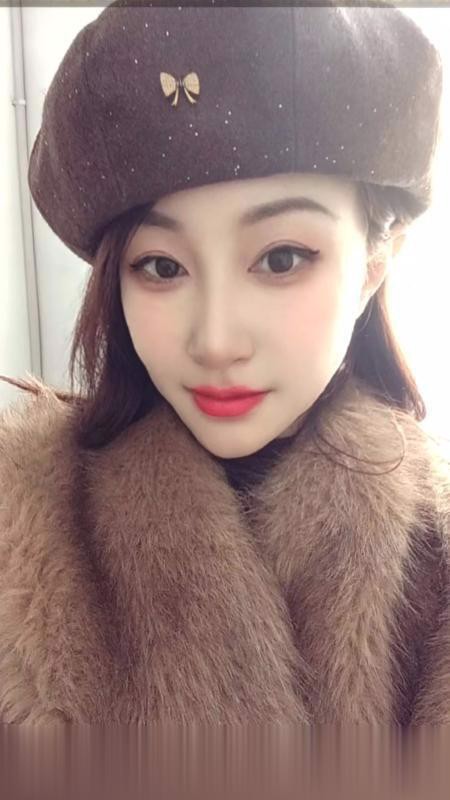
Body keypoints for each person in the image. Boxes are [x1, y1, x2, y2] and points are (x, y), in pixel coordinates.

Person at [0, 0, 448, 724]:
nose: (214, 340)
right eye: (161, 266)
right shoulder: (21, 537)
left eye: (281, 258)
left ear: (373, 264)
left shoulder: (437, 553)